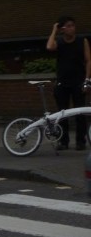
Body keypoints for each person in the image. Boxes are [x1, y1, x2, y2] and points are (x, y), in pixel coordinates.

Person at [46, 15, 90, 151]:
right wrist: (54, 29)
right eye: (68, 26)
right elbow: (49, 47)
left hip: (78, 81)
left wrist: (87, 80)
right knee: (62, 114)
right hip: (62, 82)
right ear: (63, 29)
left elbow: (88, 60)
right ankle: (63, 141)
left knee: (79, 113)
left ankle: (80, 141)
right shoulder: (59, 42)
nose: (72, 28)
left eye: (73, 25)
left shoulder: (82, 40)